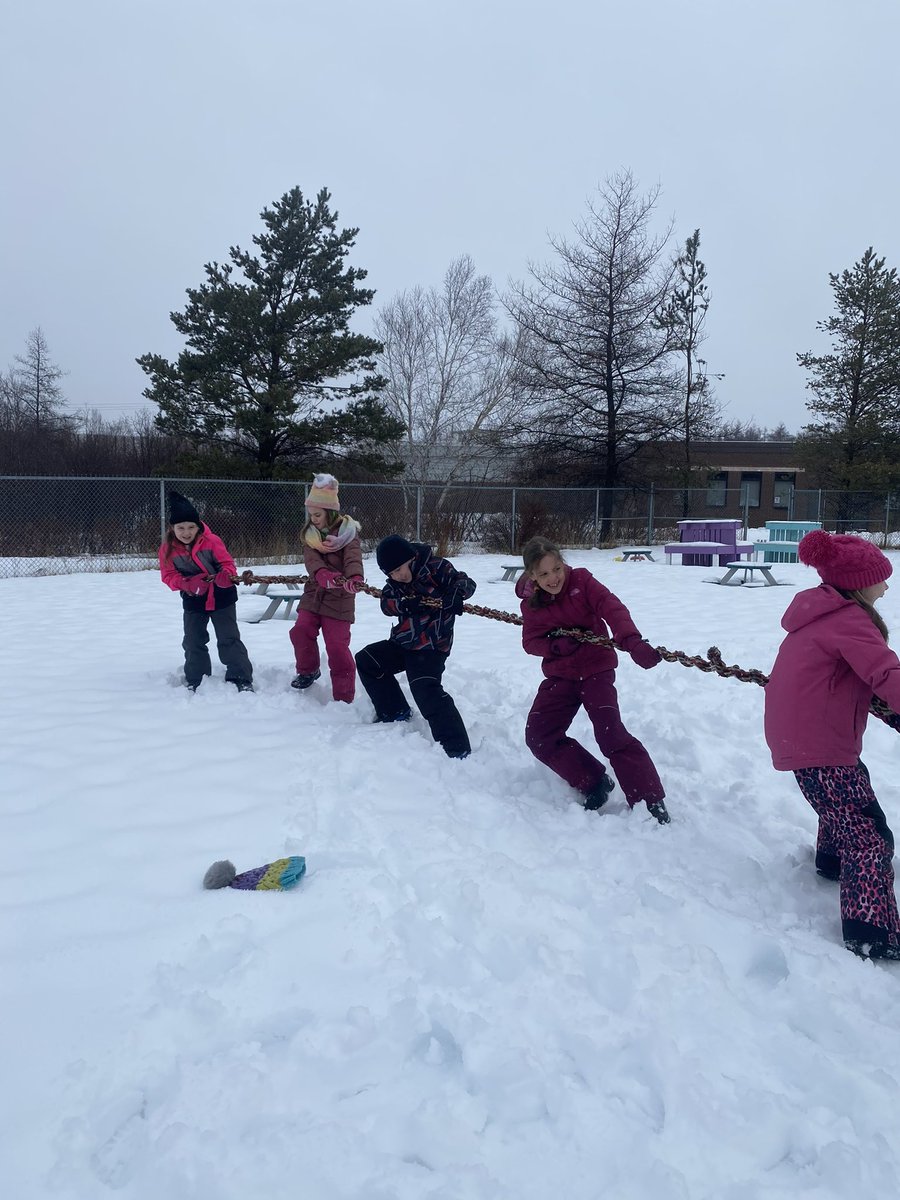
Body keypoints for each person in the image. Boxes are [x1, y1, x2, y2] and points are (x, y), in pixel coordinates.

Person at [764, 529, 900, 961]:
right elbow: (885, 675)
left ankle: (833, 862)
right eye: (881, 578)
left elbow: (852, 682)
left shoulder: (822, 613)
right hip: (820, 744)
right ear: (858, 584)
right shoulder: (850, 621)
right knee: (869, 839)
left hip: (805, 738)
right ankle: (872, 933)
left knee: (842, 802)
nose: (887, 585)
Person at [516, 537, 669, 823]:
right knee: (539, 735)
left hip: (596, 670)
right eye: (544, 573)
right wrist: (554, 647)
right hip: (561, 675)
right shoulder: (532, 605)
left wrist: (632, 642)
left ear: (563, 563)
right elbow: (530, 642)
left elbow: (611, 607)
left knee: (611, 734)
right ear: (532, 577)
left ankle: (649, 801)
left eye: (557, 568)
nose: (554, 578)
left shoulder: (582, 582)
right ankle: (594, 781)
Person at [355, 534, 475, 757]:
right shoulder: (395, 585)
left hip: (431, 645)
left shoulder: (436, 567)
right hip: (403, 643)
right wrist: (405, 605)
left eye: (400, 569)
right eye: (392, 573)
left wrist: (456, 594)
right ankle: (395, 711)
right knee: (368, 660)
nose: (399, 576)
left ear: (410, 558)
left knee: (424, 689)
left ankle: (458, 750)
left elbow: (466, 582)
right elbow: (386, 604)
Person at [158, 491, 254, 692]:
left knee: (228, 637)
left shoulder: (211, 541)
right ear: (172, 528)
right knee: (193, 640)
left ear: (198, 526)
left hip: (222, 596)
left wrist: (225, 576)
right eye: (181, 528)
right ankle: (196, 677)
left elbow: (228, 565)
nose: (186, 532)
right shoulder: (167, 549)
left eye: (191, 527)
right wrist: (187, 584)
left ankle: (240, 676)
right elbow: (168, 576)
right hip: (193, 599)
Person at [290, 473, 364, 702]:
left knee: (336, 646)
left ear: (330, 512)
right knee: (301, 630)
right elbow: (312, 561)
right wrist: (322, 574)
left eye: (318, 515)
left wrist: (355, 577)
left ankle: (343, 695)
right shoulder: (310, 535)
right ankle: (308, 669)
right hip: (314, 593)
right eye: (311, 515)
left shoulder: (348, 534)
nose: (313, 519)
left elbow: (353, 558)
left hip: (340, 597)